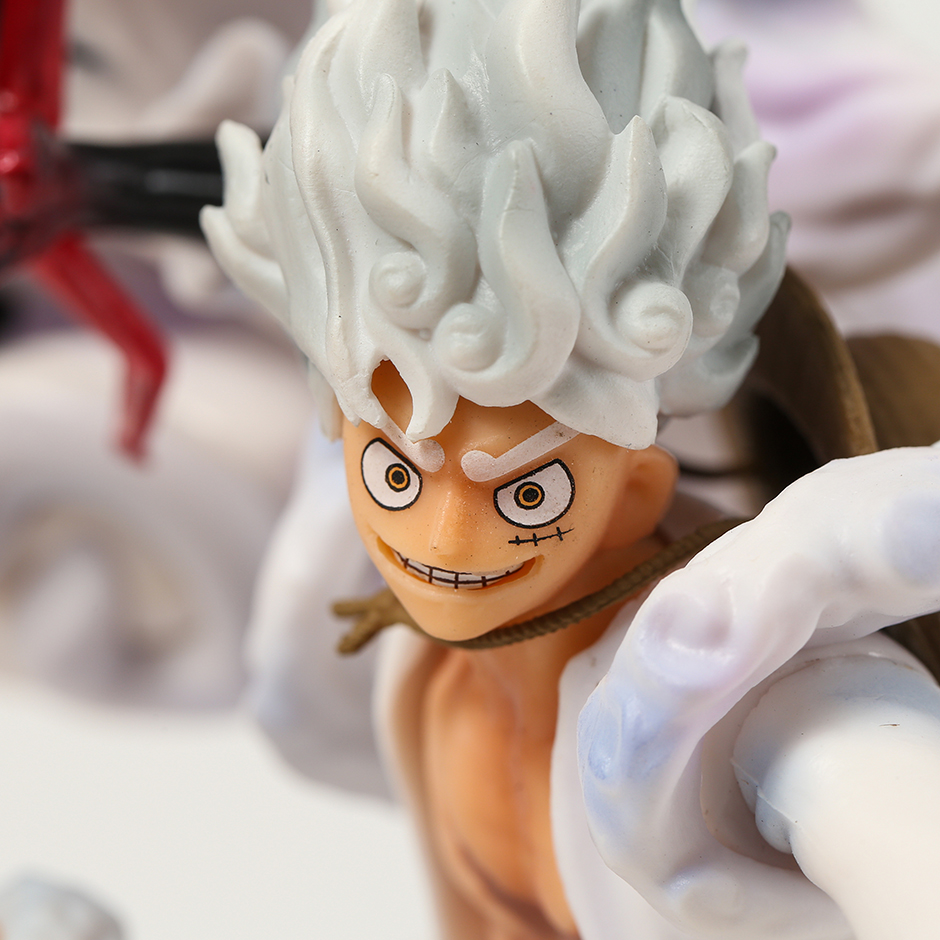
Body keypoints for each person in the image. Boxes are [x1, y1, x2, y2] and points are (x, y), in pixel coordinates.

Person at [203, 0, 940, 936]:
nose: (443, 540)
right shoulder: (414, 663)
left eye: (526, 493)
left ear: (637, 493)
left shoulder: (741, 693)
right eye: (396, 474)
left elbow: (890, 821)